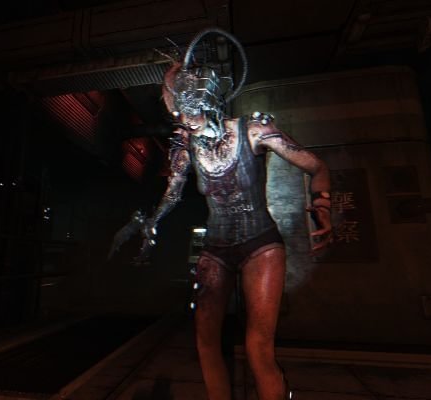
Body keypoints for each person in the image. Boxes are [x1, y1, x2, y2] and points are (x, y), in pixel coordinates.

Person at [120, 28, 332, 400]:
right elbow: (172, 194)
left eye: (188, 110)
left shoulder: (254, 132)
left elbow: (317, 167)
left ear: (206, 102)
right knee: (205, 342)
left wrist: (323, 209)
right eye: (178, 112)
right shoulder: (185, 147)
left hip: (261, 245)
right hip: (216, 248)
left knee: (258, 348)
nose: (183, 120)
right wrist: (151, 223)